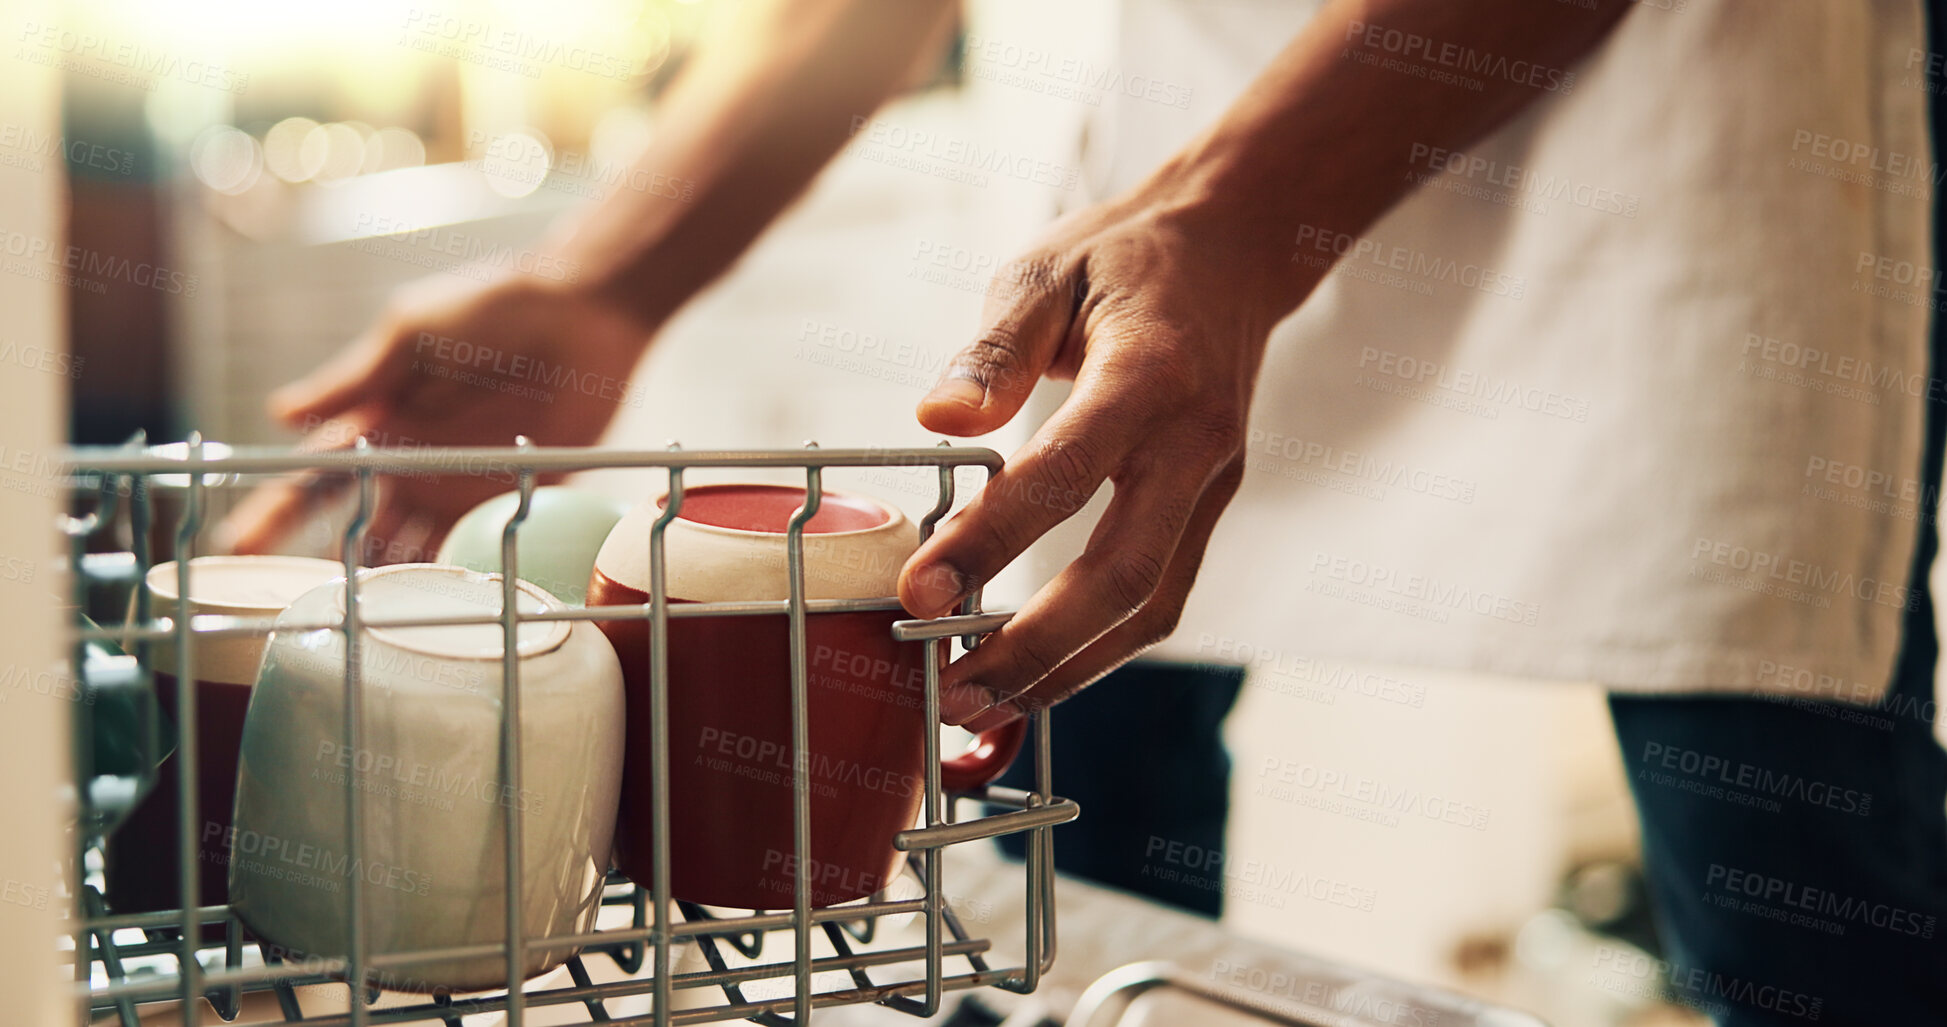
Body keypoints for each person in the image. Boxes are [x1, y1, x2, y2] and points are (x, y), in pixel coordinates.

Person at [225, 0, 1944, 1021]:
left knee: (1785, 833)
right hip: (1158, 127)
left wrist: (1240, 215)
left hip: (1676, 119)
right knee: (1062, 774)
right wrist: (610, 278)